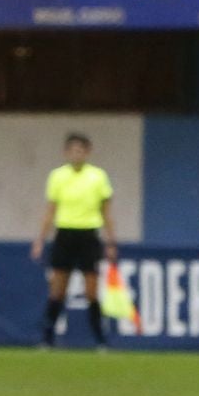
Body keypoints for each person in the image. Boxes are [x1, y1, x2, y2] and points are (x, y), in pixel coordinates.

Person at [31, 132, 118, 349]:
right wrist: (40, 240)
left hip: (88, 235)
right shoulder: (58, 176)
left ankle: (100, 340)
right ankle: (47, 338)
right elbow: (50, 211)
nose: (76, 154)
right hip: (65, 234)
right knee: (58, 289)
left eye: (81, 150)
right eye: (72, 150)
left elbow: (106, 213)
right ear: (66, 152)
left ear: (87, 152)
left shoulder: (98, 177)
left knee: (91, 290)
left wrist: (110, 242)